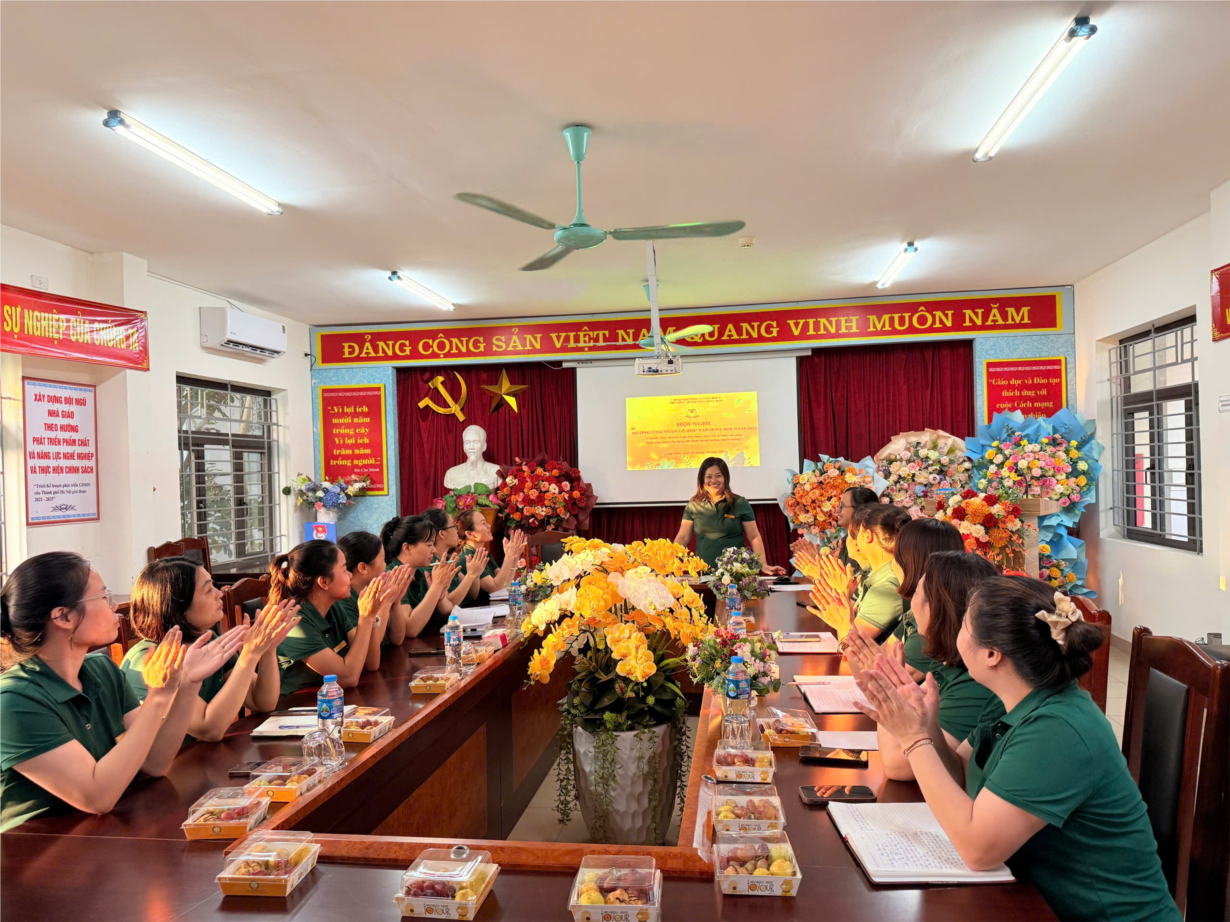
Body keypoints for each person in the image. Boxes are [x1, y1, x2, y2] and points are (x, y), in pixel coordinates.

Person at [856, 576, 1180, 922]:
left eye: (964, 625)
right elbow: (961, 774)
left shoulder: (1056, 729)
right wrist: (926, 727)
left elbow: (978, 851)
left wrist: (913, 740)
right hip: (1034, 899)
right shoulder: (1012, 697)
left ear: (992, 654)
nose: (955, 632)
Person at [0, 552, 239, 832]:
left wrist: (187, 685)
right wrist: (157, 698)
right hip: (40, 848)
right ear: (63, 616)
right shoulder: (14, 701)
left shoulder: (102, 670)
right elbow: (97, 797)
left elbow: (156, 761)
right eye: (103, 597)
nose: (115, 606)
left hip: (105, 834)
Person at [845, 550, 1000, 780]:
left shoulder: (976, 683)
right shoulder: (948, 666)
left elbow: (898, 766)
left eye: (917, 592)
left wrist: (887, 693)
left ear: (935, 608)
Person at [121, 556, 301, 741]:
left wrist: (267, 650)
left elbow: (262, 702)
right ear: (178, 606)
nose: (219, 593)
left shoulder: (206, 639)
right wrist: (249, 655)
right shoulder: (150, 659)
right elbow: (209, 730)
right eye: (208, 590)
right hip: (179, 758)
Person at [272, 540, 403, 695]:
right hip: (295, 703)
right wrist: (365, 618)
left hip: (328, 698)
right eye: (345, 570)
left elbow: (371, 663)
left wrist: (371, 616)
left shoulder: (334, 608)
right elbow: (348, 678)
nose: (350, 575)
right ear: (324, 582)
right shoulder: (295, 622)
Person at [807, 503, 910, 641]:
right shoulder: (877, 574)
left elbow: (850, 644)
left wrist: (842, 597)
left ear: (868, 536)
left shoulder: (887, 586)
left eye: (857, 533)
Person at [673, 457, 786, 573]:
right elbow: (683, 537)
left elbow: (754, 537)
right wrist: (670, 560)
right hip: (703, 573)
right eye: (709, 477)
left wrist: (763, 564)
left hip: (735, 573)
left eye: (718, 476)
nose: (713, 480)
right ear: (702, 479)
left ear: (725, 478)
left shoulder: (740, 503)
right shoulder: (693, 505)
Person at [890, 518, 967, 680]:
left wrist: (845, 631)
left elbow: (887, 681)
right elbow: (882, 654)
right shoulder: (917, 609)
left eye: (897, 556)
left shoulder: (934, 621)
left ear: (910, 562)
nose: (893, 563)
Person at [336, 531, 416, 654]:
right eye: (383, 560)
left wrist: (395, 602)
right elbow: (370, 649)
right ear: (363, 568)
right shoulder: (344, 599)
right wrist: (386, 604)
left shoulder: (375, 591)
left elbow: (397, 639)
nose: (386, 565)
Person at [381, 516, 458, 637]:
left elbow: (447, 612)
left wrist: (440, 593)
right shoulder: (394, 576)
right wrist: (436, 587)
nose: (433, 550)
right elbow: (410, 630)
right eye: (429, 545)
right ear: (407, 548)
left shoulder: (421, 572)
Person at [455, 510, 526, 607]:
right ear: (470, 534)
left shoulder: (483, 553)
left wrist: (515, 556)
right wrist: (509, 556)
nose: (489, 526)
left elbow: (506, 583)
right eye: (483, 523)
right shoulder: (468, 557)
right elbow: (496, 588)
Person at [421, 507, 489, 606]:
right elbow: (449, 604)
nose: (457, 530)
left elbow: (472, 594)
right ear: (442, 534)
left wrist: (475, 575)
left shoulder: (448, 559)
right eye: (453, 526)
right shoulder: (431, 564)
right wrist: (470, 575)